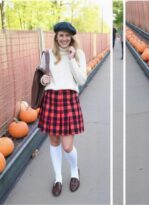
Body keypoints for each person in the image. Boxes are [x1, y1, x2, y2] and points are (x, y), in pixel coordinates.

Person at [38, 21, 87, 197]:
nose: (64, 38)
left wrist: (72, 59)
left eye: (67, 35)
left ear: (71, 37)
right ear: (56, 37)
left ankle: (74, 171)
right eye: (61, 35)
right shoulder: (47, 54)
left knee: (67, 146)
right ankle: (58, 178)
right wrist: (43, 81)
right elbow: (43, 80)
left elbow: (81, 80)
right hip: (51, 100)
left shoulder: (78, 54)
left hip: (69, 100)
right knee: (54, 143)